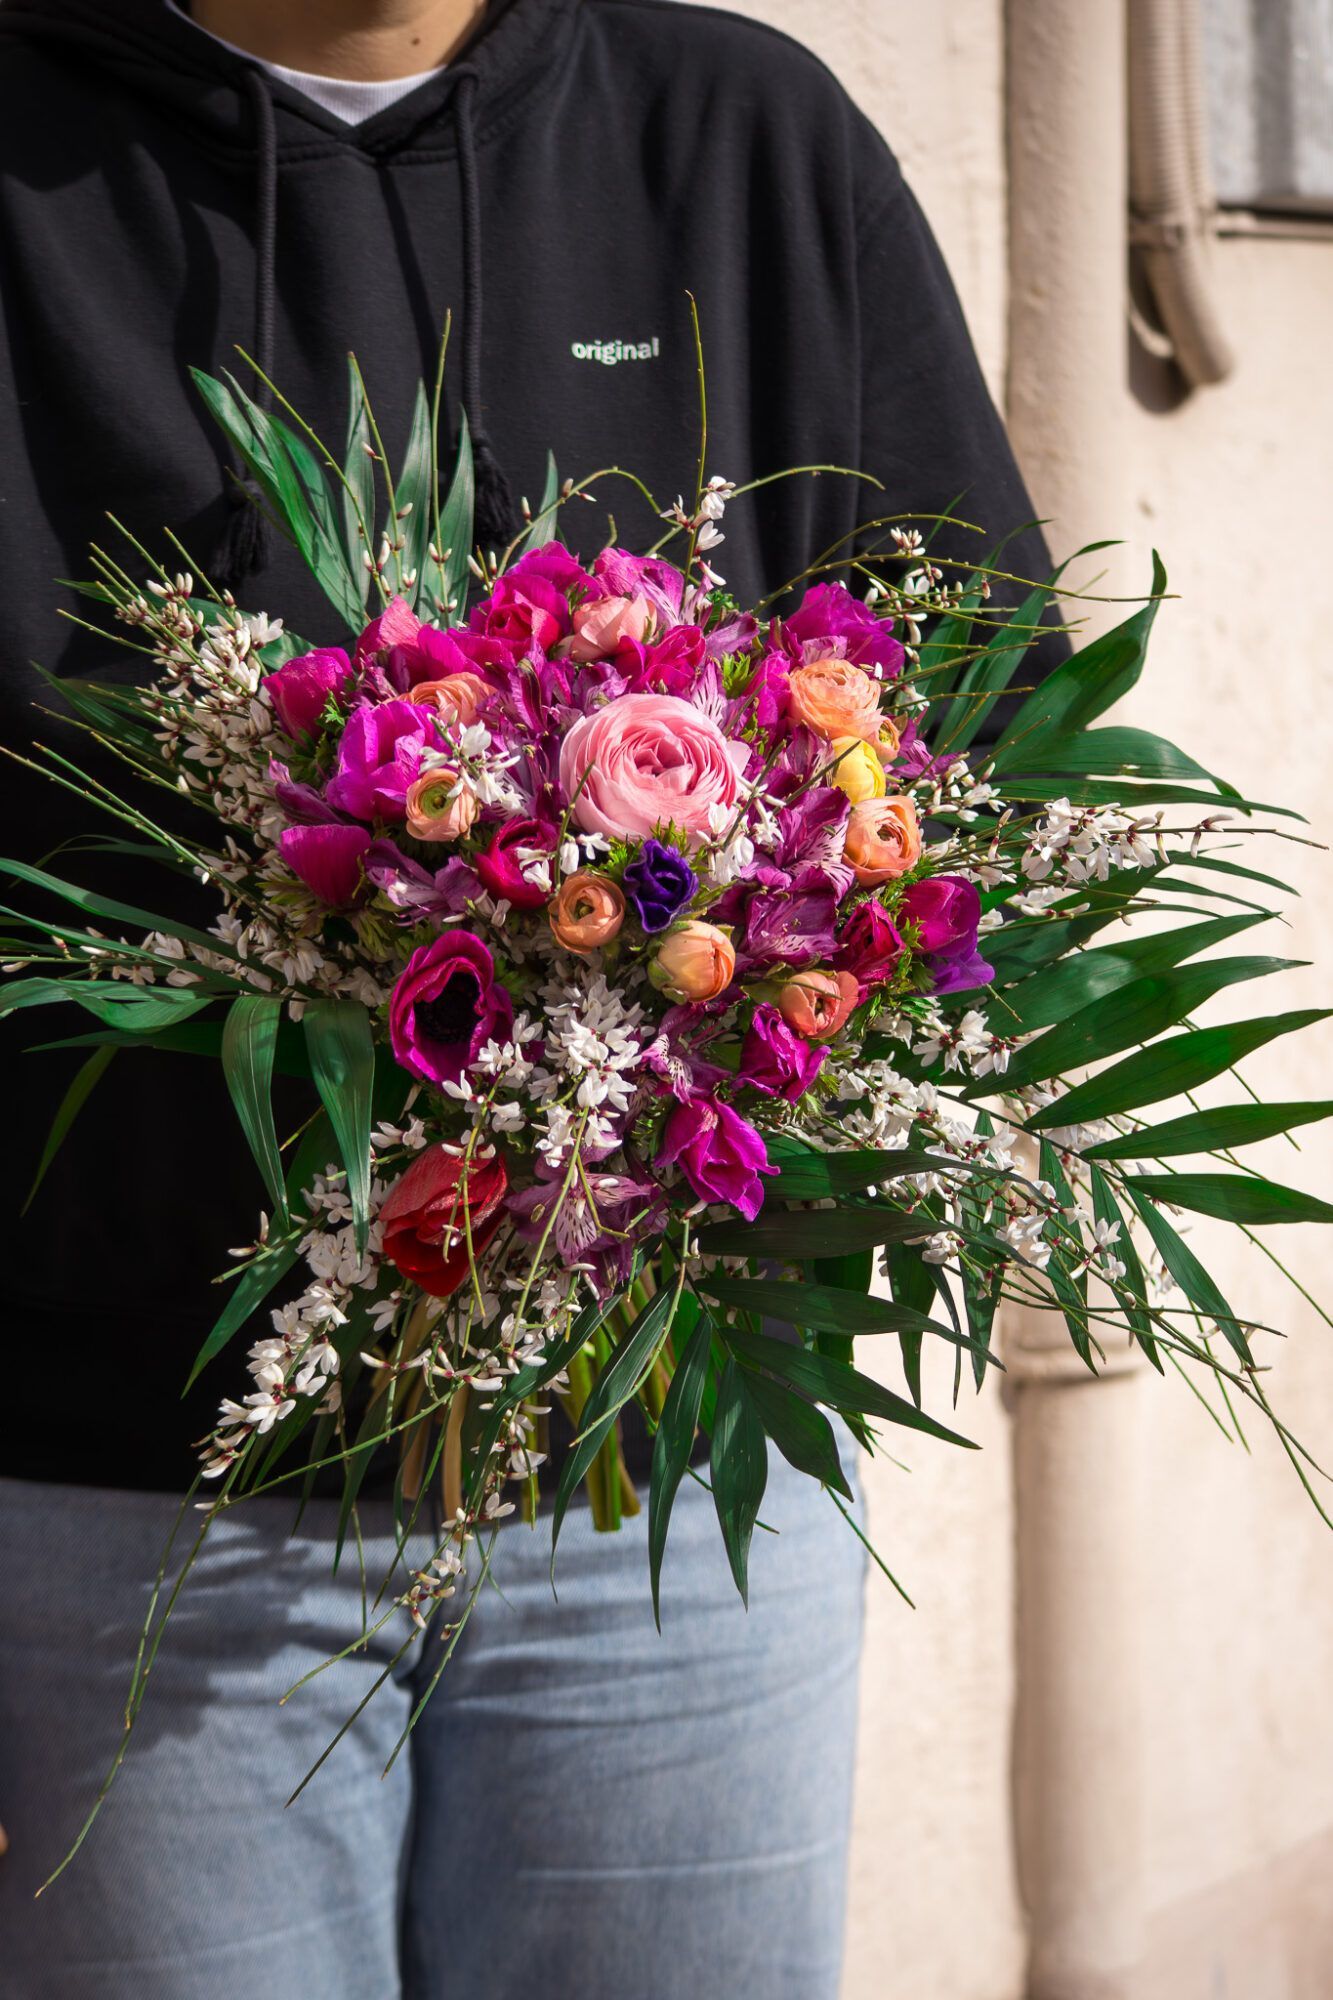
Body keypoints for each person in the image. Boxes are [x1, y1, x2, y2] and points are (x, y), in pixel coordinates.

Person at [0, 3, 1063, 1994]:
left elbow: (987, 729)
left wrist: (779, 951)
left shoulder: (736, 136)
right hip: (111, 1508)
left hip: (664, 1499)